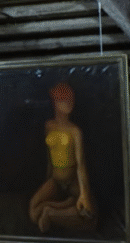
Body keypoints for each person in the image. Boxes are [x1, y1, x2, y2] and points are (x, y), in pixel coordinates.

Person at [28, 82, 97, 233]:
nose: (69, 103)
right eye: (64, 100)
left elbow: (81, 165)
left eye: (71, 99)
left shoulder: (75, 131)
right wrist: (47, 182)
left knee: (89, 216)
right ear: (56, 102)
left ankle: (51, 212)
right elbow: (49, 157)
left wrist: (84, 194)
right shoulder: (49, 126)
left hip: (72, 181)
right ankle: (59, 206)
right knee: (33, 212)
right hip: (56, 180)